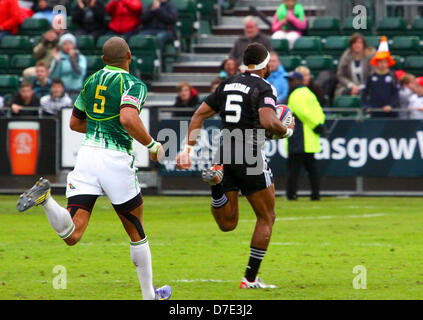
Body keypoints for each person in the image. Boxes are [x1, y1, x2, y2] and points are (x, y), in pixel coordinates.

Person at [17, 37, 171, 300]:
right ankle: (149, 296)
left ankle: (46, 200)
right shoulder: (133, 84)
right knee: (136, 230)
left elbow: (75, 124)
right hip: (115, 159)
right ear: (129, 57)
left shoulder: (91, 80)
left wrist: (102, 127)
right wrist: (153, 145)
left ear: (102, 60)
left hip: (87, 157)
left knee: (72, 234)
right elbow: (128, 116)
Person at [176, 43, 295, 289]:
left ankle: (216, 187)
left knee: (228, 223)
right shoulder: (265, 87)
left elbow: (199, 114)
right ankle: (250, 279)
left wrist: (187, 150)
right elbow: (267, 119)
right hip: (249, 154)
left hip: (224, 152)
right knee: (267, 216)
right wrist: (284, 131)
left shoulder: (228, 83)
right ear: (264, 64)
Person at [285, 71, 325, 201]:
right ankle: (315, 194)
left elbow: (302, 112)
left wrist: (314, 125)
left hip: (299, 137)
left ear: (299, 81)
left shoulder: (296, 94)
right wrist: (319, 124)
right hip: (310, 138)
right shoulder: (309, 93)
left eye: (292, 80)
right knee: (312, 169)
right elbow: (319, 111)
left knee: (294, 169)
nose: (289, 82)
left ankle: (291, 194)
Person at [361, 36, 399, 118]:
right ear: (376, 63)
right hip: (375, 112)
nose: (382, 64)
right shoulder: (371, 76)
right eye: (380, 62)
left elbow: (396, 93)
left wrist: (391, 106)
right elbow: (364, 92)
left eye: (385, 62)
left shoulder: (392, 76)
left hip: (390, 113)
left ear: (388, 63)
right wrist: (365, 106)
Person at [23, 15, 67, 79]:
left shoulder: (67, 38)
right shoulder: (45, 37)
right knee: (27, 72)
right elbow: (36, 54)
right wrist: (45, 43)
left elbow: (65, 51)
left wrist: (56, 41)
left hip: (60, 67)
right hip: (44, 68)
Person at [335, 33, 376, 97]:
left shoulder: (370, 55)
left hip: (367, 86)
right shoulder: (346, 55)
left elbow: (373, 74)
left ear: (363, 44)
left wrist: (362, 86)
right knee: (343, 94)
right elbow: (340, 75)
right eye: (355, 43)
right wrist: (351, 85)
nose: (357, 45)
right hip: (349, 87)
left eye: (359, 43)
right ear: (351, 45)